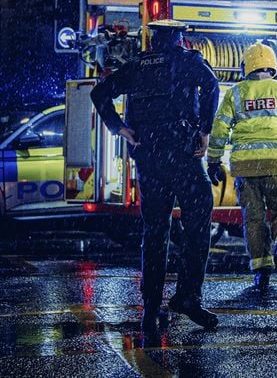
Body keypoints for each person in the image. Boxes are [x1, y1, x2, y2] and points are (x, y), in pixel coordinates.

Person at [90, 19, 220, 337]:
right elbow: (212, 87)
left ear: (153, 39)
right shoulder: (187, 60)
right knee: (199, 217)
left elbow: (99, 94)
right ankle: (188, 296)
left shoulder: (135, 65)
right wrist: (204, 131)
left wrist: (119, 128)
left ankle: (150, 308)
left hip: (149, 156)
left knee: (155, 231)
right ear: (177, 39)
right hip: (182, 153)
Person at [207, 42, 277, 289]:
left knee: (254, 220)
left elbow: (220, 128)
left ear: (246, 66)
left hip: (245, 169)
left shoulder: (235, 94)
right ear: (272, 66)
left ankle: (262, 270)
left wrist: (213, 161)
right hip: (276, 164)